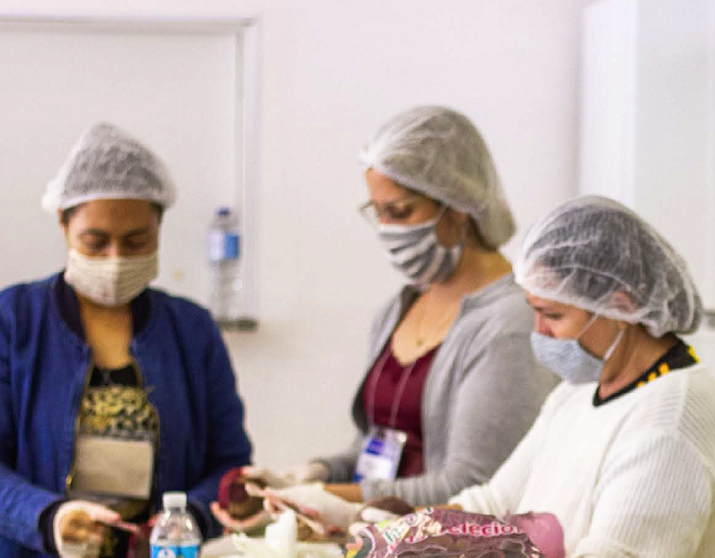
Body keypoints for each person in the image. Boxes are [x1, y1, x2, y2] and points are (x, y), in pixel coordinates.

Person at [216, 107, 557, 526]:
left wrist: (324, 498)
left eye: (400, 212)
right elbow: (377, 451)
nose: (386, 229)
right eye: (376, 212)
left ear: (459, 204)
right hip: (380, 537)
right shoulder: (400, 307)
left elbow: (472, 486)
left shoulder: (510, 323)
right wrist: (315, 474)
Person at [0, 123, 253, 558]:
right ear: (63, 223)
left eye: (137, 241)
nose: (116, 259)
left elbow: (230, 464)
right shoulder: (14, 320)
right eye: (95, 242)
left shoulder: (192, 330)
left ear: (159, 227)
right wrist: (47, 518)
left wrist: (185, 520)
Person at [443, 196, 715, 557]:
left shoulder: (672, 420)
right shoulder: (577, 393)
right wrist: (405, 532)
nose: (539, 332)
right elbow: (494, 504)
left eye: (553, 315)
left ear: (621, 306)